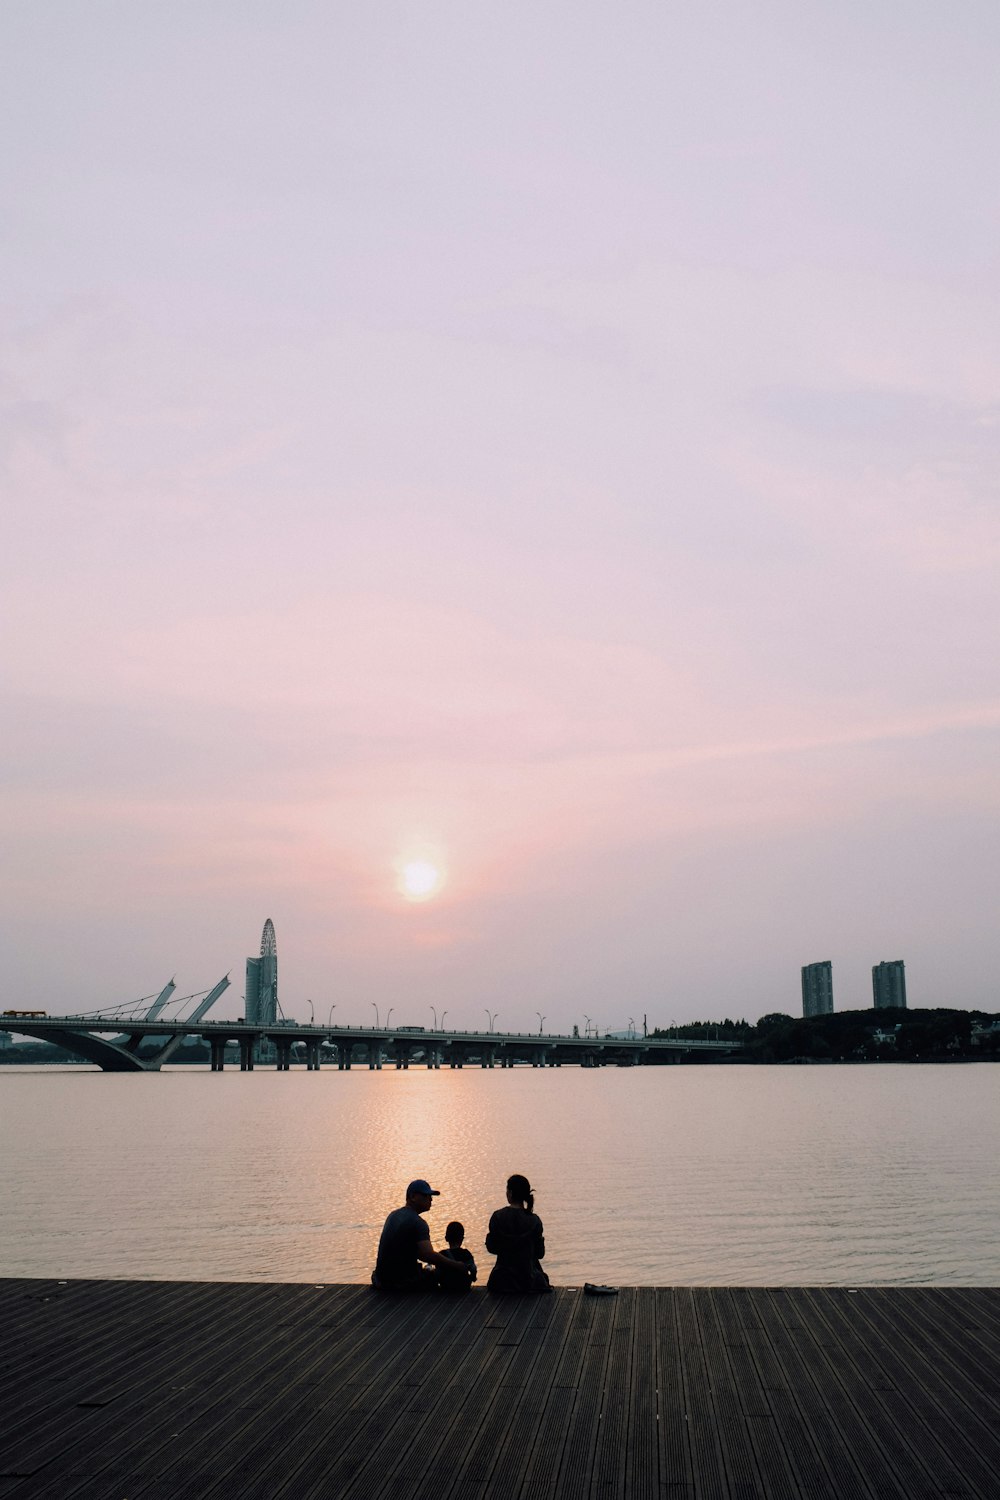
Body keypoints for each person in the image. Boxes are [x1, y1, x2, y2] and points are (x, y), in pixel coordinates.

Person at [485, 1173, 551, 1293]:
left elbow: (492, 1248)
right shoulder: (535, 1220)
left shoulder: (497, 1217)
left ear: (510, 1193)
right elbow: (540, 1253)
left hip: (501, 1281)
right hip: (529, 1281)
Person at [438, 1220, 477, 1288]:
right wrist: (473, 1277)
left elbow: (438, 1271)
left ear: (446, 1238)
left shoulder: (441, 1254)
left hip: (446, 1286)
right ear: (462, 1238)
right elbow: (473, 1268)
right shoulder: (466, 1253)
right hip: (463, 1286)